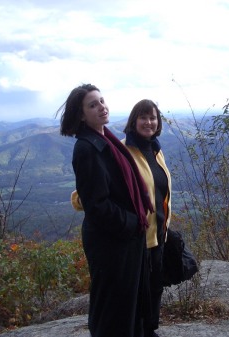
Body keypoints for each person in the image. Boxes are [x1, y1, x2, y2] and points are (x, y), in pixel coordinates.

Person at [58, 84, 153, 337]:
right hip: (111, 241)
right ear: (81, 115)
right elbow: (97, 205)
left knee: (127, 304)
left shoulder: (105, 140)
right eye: (92, 105)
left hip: (123, 237)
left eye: (101, 101)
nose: (101, 107)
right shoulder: (87, 148)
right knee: (112, 308)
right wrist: (132, 222)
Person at [122, 99, 172, 337]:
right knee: (140, 293)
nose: (149, 122)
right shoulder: (123, 152)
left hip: (159, 234)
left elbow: (160, 190)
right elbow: (96, 187)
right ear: (134, 121)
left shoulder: (155, 150)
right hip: (138, 238)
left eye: (153, 117)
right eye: (143, 117)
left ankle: (150, 330)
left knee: (154, 288)